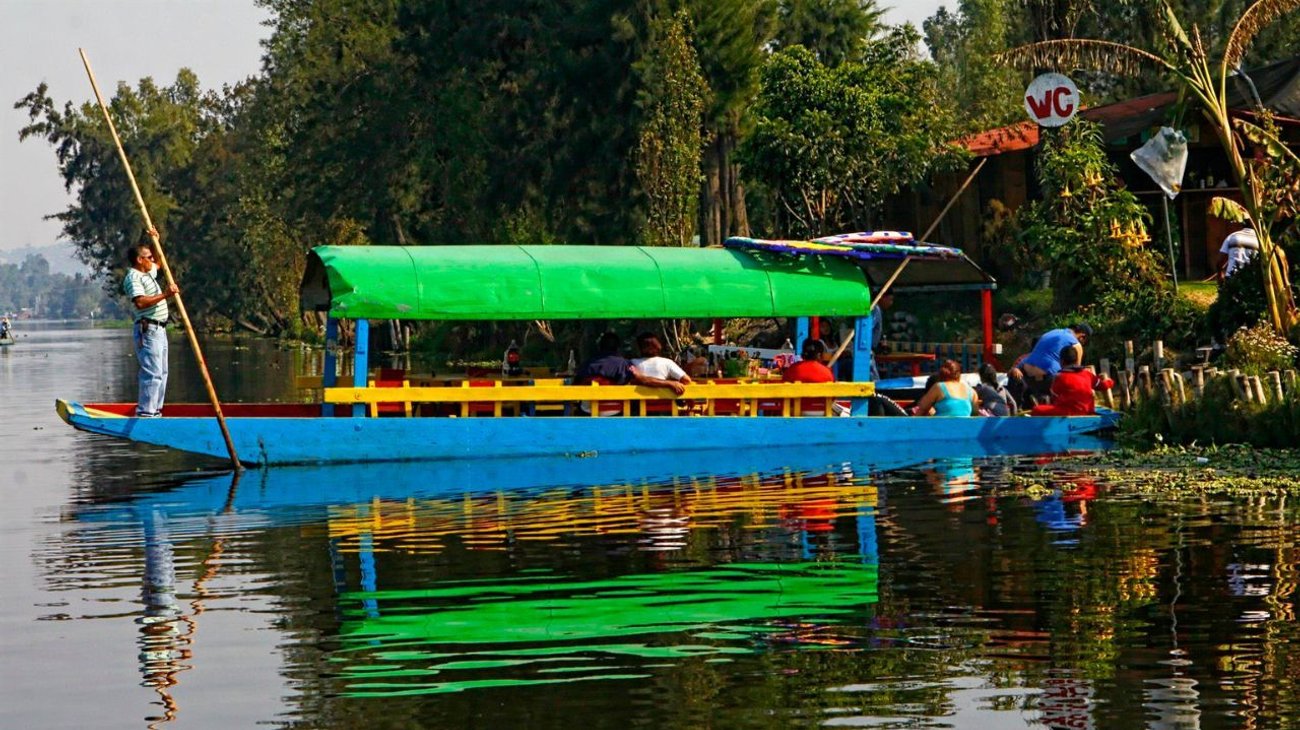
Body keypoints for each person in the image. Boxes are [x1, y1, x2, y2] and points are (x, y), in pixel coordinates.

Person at [123, 243, 179, 418]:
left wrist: (155, 240)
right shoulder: (134, 277)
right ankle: (146, 412)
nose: (153, 260)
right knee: (152, 371)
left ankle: (156, 410)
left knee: (162, 371)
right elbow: (140, 302)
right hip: (148, 329)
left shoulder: (148, 274)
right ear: (140, 260)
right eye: (149, 257)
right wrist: (166, 295)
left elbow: (160, 262)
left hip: (160, 329)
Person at [574, 332, 686, 414]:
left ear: (600, 347)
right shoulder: (623, 364)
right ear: (618, 348)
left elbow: (576, 384)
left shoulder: (586, 363)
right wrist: (670, 383)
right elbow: (642, 381)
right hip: (613, 410)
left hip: (587, 410)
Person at [1029, 345, 1114, 416]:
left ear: (1061, 361)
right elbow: (1103, 385)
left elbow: (1054, 396)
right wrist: (1110, 381)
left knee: (1036, 409)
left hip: (1069, 412)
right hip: (1088, 410)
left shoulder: (1060, 377)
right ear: (1077, 360)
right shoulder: (1088, 374)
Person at [1019, 323, 1091, 402]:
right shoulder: (1076, 344)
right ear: (1082, 337)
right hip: (1049, 376)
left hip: (1028, 376)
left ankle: (1042, 400)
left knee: (1043, 403)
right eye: (1084, 342)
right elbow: (1076, 371)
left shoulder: (1053, 332)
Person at [911, 359, 979, 416]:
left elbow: (922, 409)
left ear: (940, 376)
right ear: (959, 375)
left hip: (941, 428)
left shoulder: (939, 387)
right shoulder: (972, 392)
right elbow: (975, 415)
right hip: (966, 429)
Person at [869, 292, 895, 379]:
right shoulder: (875, 309)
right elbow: (869, 327)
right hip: (868, 349)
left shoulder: (878, 310)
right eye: (890, 299)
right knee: (874, 380)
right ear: (882, 298)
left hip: (872, 348)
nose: (891, 303)